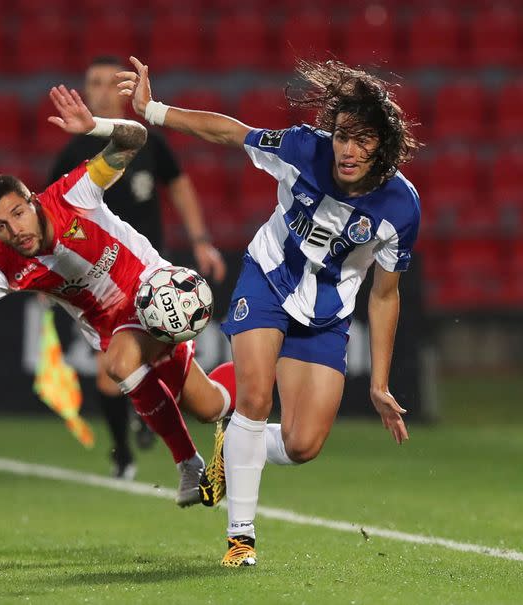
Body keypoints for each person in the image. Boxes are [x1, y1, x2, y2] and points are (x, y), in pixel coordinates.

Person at [118, 57, 421, 564]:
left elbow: (385, 294)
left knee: (303, 445)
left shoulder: (401, 207)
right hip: (268, 281)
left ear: (384, 145)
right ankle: (241, 537)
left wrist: (380, 384)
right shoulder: (305, 149)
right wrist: (153, 109)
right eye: (343, 136)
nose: (348, 150)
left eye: (363, 139)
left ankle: (231, 444)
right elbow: (232, 133)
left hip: (326, 314)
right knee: (255, 398)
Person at [0, 84, 237, 508]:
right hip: (110, 325)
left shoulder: (72, 194)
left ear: (31, 200)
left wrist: (96, 127)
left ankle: (188, 462)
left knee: (120, 364)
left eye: (17, 213)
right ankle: (242, 394)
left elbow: (136, 138)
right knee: (209, 406)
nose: (14, 229)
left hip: (151, 289)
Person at [49, 56, 227, 480]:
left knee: (150, 373)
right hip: (100, 287)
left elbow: (179, 184)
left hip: (149, 277)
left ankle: (166, 425)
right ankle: (125, 453)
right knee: (112, 375)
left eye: (111, 83)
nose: (102, 91)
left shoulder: (146, 144)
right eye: (94, 83)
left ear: (124, 90)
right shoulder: (73, 152)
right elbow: (49, 220)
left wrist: (201, 240)